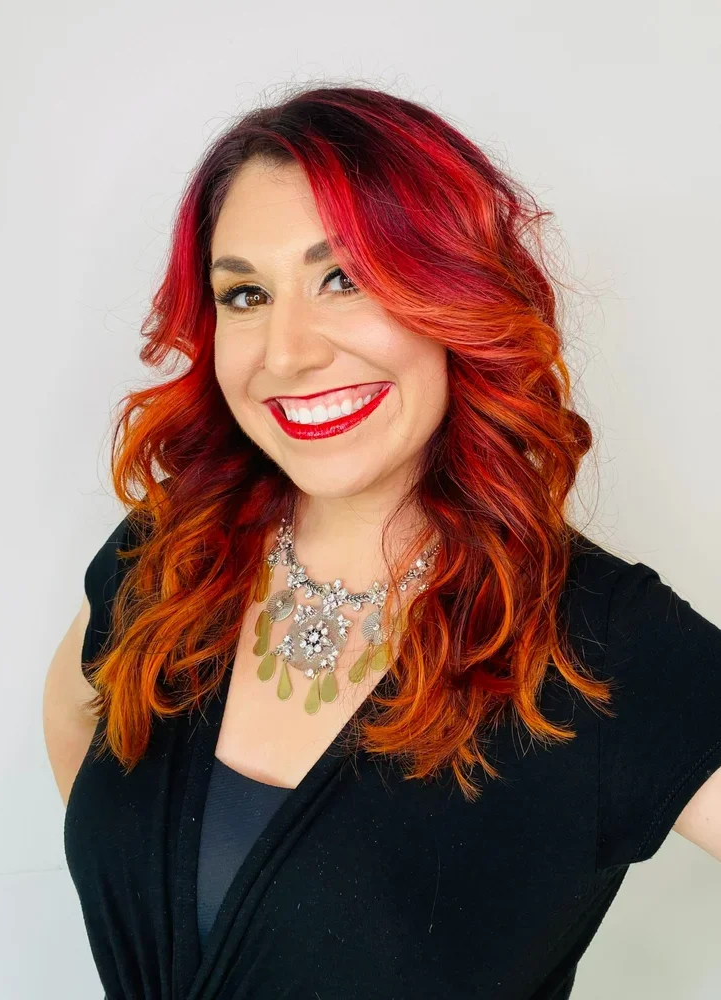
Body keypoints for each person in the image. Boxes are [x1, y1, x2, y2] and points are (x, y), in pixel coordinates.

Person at [43, 83, 721, 1000]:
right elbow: (74, 715)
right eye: (245, 293)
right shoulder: (167, 558)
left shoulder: (605, 645)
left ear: (457, 294)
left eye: (344, 278)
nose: (286, 351)